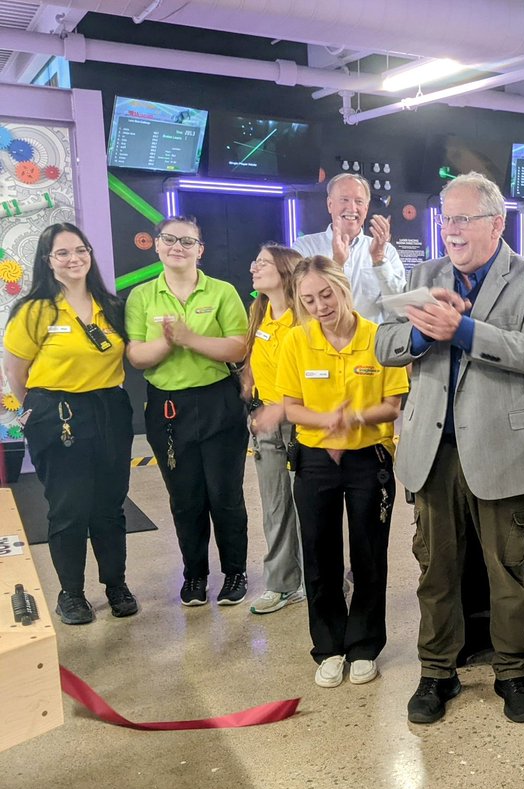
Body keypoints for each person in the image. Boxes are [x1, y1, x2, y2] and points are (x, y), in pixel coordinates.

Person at [375, 173, 524, 725]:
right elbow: (385, 345)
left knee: (508, 569)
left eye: (462, 219)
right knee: (435, 569)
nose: (450, 230)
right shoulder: (422, 275)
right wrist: (421, 335)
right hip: (433, 451)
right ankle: (436, 671)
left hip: (505, 450)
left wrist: (462, 330)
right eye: (445, 218)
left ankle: (512, 670)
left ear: (496, 224)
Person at [277, 256, 407, 688]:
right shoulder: (296, 341)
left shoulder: (378, 338)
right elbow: (291, 406)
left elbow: (393, 404)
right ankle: (329, 646)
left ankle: (365, 645)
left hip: (368, 457)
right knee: (319, 554)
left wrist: (354, 419)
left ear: (344, 287)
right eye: (309, 299)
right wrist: (325, 423)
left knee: (369, 553)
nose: (319, 306)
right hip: (315, 460)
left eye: (326, 294)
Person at [2, 224, 138, 624]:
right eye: (62, 253)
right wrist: (40, 412)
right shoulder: (34, 309)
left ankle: (116, 584)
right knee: (69, 508)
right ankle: (72, 594)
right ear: (47, 261)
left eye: (80, 250)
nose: (74, 258)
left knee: (110, 506)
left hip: (110, 410)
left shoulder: (110, 306)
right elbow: (16, 372)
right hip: (56, 413)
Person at [126, 216, 250, 607]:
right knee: (185, 497)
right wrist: (167, 344)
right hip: (168, 409)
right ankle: (194, 575)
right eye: (169, 239)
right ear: (157, 246)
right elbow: (136, 355)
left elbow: (237, 349)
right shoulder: (142, 296)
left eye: (187, 241)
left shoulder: (222, 292)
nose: (177, 246)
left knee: (225, 495)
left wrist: (188, 338)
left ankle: (235, 572)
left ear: (200, 250)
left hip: (218, 403)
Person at [242, 243, 305, 615]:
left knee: (311, 508)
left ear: (284, 271)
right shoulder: (261, 313)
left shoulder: (306, 318)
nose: (254, 267)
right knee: (275, 506)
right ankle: (281, 584)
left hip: (302, 424)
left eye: (262, 262)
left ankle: (322, 579)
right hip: (265, 424)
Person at [293, 173, 406, 324]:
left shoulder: (387, 251)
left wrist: (379, 260)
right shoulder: (305, 247)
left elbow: (398, 308)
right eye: (344, 200)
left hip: (370, 344)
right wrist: (336, 263)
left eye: (359, 201)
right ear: (330, 204)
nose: (352, 208)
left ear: (366, 208)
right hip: (318, 344)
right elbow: (296, 300)